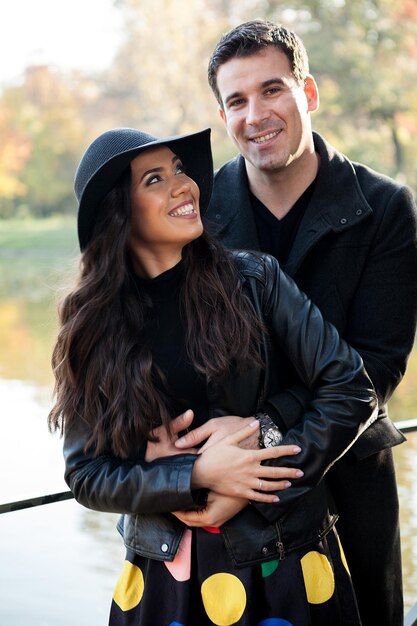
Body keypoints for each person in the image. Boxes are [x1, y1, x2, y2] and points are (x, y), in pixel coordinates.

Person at [47, 126, 378, 626]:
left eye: (179, 169)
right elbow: (88, 474)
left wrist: (256, 465)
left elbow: (351, 390)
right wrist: (197, 475)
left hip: (285, 554)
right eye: (155, 179)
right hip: (169, 574)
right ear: (119, 214)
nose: (183, 185)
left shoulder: (255, 281)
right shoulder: (94, 328)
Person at [186, 19, 417, 626]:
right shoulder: (200, 216)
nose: (255, 114)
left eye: (272, 90)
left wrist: (259, 436)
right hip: (226, 498)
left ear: (307, 93)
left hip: (346, 478)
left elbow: (378, 368)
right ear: (222, 113)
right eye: (236, 100)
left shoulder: (386, 209)